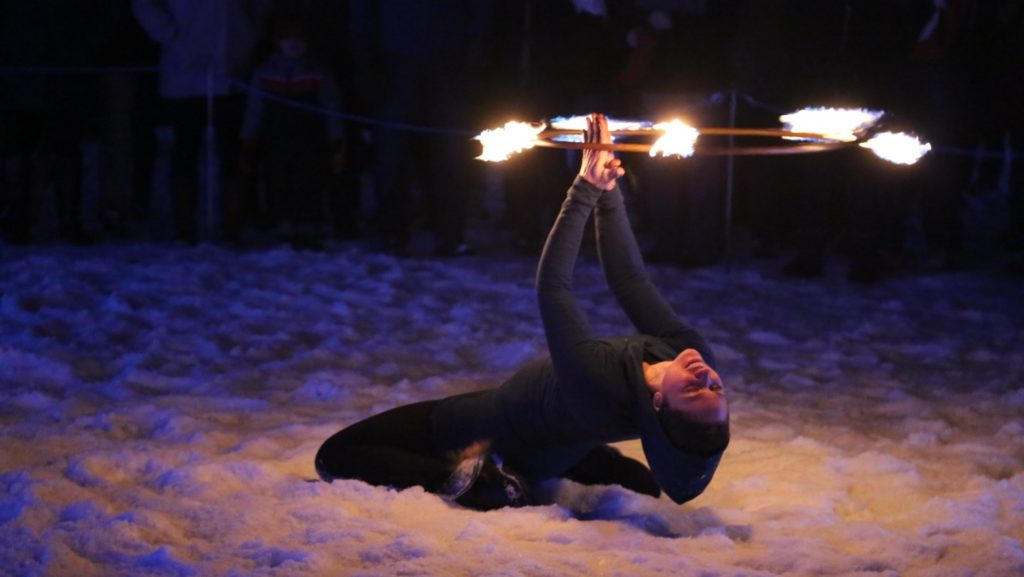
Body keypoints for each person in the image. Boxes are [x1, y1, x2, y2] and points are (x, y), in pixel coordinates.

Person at [315, 114, 730, 510]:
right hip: (557, 432)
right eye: (716, 388)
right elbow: (630, 280)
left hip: (488, 430)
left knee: (337, 455)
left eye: (694, 391)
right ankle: (574, 459)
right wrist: (608, 192)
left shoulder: (597, 385)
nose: (706, 376)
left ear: (657, 403)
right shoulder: (689, 352)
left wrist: (584, 188)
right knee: (631, 476)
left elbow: (554, 286)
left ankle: (481, 483)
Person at [240, 17, 346, 249]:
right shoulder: (264, 73)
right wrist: (248, 139)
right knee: (276, 179)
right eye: (288, 39)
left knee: (309, 180)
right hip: (275, 140)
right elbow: (254, 109)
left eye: (299, 39)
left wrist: (335, 139)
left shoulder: (319, 73)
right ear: (278, 42)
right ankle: (281, 222)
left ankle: (309, 225)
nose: (294, 44)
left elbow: (331, 107)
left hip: (310, 140)